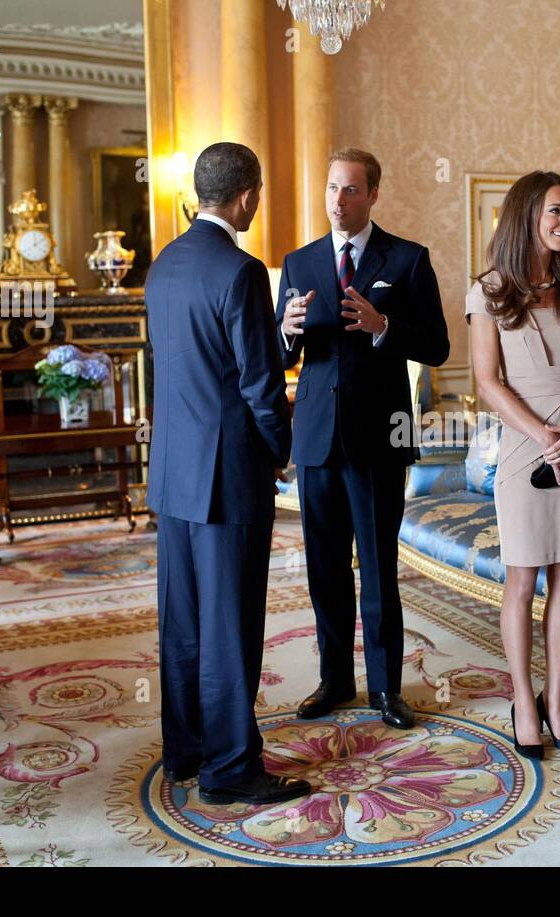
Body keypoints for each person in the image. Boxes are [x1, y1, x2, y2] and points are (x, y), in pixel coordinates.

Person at [145, 142, 310, 806]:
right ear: (246, 197)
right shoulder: (241, 272)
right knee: (231, 626)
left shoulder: (163, 267)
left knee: (183, 621)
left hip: (174, 475)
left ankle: (185, 751)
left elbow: (192, 365)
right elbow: (260, 386)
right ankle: (231, 770)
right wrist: (280, 449)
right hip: (229, 476)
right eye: (260, 193)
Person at [277, 147, 449, 730]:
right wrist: (286, 332)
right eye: (331, 188)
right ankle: (333, 681)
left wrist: (385, 328)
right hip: (317, 443)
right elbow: (284, 354)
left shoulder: (406, 259)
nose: (338, 201)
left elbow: (438, 346)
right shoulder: (297, 263)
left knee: (376, 569)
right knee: (324, 568)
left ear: (373, 194)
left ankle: (385, 690)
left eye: (350, 190)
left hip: (379, 440)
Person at [466, 171, 560, 760]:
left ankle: (557, 703)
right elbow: (486, 382)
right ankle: (524, 701)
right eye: (554, 211)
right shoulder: (488, 290)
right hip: (526, 443)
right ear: (527, 214)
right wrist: (542, 434)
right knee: (523, 579)